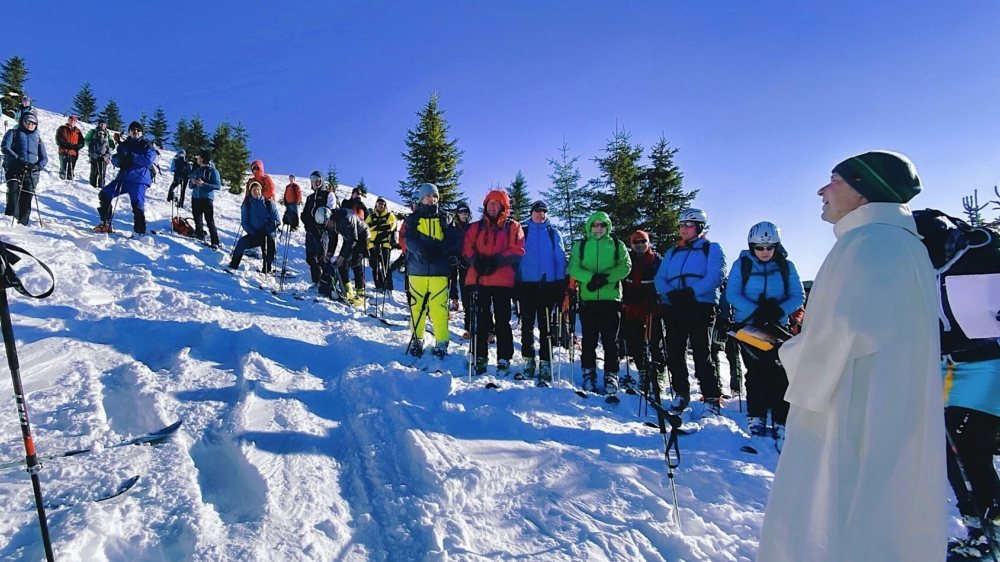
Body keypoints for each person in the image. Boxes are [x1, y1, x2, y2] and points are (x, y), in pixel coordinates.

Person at [757, 151, 946, 561]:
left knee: (837, 511)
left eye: (835, 181)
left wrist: (785, 349)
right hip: (887, 406)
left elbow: (840, 338)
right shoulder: (901, 243)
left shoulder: (868, 243)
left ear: (864, 191)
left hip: (851, 409)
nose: (823, 190)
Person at [913, 209, 1000, 559]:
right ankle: (977, 527)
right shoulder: (918, 265)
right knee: (947, 448)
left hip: (988, 363)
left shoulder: (982, 253)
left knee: (969, 444)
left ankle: (991, 534)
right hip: (944, 365)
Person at [725, 221, 804, 453]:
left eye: (770, 247)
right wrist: (756, 310)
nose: (765, 252)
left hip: (776, 328)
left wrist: (778, 310)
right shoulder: (742, 265)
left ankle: (781, 419)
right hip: (750, 327)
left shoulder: (786, 266)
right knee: (757, 372)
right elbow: (732, 293)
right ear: (752, 247)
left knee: (780, 374)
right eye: (760, 248)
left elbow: (797, 295)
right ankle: (757, 416)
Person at [654, 208, 726, 414]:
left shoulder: (711, 248)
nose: (684, 229)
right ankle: (681, 392)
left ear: (700, 227)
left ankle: (711, 396)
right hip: (675, 305)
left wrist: (691, 292)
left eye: (689, 224)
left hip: (700, 305)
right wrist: (671, 294)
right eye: (681, 225)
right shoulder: (673, 251)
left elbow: (716, 275)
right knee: (675, 352)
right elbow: (661, 277)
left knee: (702, 352)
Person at [567, 212, 632, 394]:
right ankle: (589, 372)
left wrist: (606, 278)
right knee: (589, 340)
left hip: (611, 299)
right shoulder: (580, 246)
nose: (598, 228)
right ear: (589, 226)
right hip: (588, 300)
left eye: (602, 225)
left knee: (611, 341)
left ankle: (611, 374)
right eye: (595, 225)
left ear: (607, 227)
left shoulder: (617, 245)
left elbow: (626, 266)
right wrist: (590, 278)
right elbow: (573, 267)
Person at [464, 190, 525, 375]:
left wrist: (497, 261)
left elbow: (518, 250)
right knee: (480, 320)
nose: (492, 206)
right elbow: (467, 247)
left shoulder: (513, 226)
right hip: (479, 279)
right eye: (490, 203)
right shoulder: (476, 227)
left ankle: (504, 357)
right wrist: (476, 262)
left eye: (496, 203)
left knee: (502, 321)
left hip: (502, 282)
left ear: (503, 206)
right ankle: (479, 355)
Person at [403, 183, 461, 357]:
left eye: (435, 196)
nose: (432, 199)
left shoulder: (446, 218)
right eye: (429, 196)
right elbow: (408, 239)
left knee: (439, 308)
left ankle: (442, 341)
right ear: (421, 198)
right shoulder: (412, 219)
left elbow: (452, 239)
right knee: (417, 307)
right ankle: (417, 339)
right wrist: (423, 250)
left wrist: (439, 250)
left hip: (439, 271)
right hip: (416, 270)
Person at [516, 200, 566, 385]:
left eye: (544, 211)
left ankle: (546, 362)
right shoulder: (523, 230)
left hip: (547, 286)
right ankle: (528, 360)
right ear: (531, 213)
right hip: (527, 286)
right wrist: (516, 282)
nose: (541, 214)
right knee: (527, 325)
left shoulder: (553, 233)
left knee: (546, 327)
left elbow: (560, 258)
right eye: (537, 210)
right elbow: (516, 257)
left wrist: (560, 282)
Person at [621, 230, 666, 395]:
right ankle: (642, 372)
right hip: (632, 307)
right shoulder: (627, 259)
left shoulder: (657, 259)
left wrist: (658, 301)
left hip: (652, 307)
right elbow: (622, 280)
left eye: (643, 241)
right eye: (636, 242)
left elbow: (663, 279)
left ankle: (658, 374)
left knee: (655, 342)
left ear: (648, 242)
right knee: (635, 343)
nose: (640, 245)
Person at [94, 121, 157, 236]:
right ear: (129, 132)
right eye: (133, 130)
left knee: (137, 204)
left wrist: (131, 157)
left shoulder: (146, 144)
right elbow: (115, 159)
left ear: (142, 133)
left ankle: (140, 231)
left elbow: (148, 160)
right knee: (104, 194)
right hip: (123, 178)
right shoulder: (124, 144)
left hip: (139, 179)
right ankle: (105, 222)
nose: (135, 132)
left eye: (138, 130)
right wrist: (120, 161)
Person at [1, 111, 47, 225]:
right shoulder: (13, 132)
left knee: (26, 198)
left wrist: (37, 167)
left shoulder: (38, 139)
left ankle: (23, 224)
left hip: (31, 172)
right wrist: (19, 160)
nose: (31, 124)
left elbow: (44, 158)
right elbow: (5, 147)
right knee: (13, 193)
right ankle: (10, 220)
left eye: (34, 122)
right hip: (14, 168)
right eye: (28, 121)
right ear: (23, 121)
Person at [229, 182, 280, 272]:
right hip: (255, 234)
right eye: (253, 190)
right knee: (241, 243)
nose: (256, 191)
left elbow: (276, 220)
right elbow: (245, 223)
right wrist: (254, 233)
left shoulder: (269, 203)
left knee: (269, 246)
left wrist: (268, 230)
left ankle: (267, 269)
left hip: (268, 234)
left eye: (258, 189)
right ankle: (233, 265)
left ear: (261, 191)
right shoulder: (247, 205)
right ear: (250, 192)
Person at [301, 171, 337, 285]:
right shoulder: (310, 198)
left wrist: (323, 225)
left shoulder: (328, 195)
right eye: (312, 180)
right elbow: (305, 213)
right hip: (310, 232)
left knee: (322, 258)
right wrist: (305, 222)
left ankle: (330, 282)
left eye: (317, 180)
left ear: (321, 181)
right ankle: (316, 282)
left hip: (322, 232)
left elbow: (330, 211)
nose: (315, 183)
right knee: (311, 258)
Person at [188, 149, 222, 249]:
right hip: (195, 198)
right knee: (197, 218)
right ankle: (199, 235)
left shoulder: (213, 171)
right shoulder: (197, 170)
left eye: (198, 157)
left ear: (203, 158)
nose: (197, 158)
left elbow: (217, 185)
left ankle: (215, 242)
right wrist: (193, 183)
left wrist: (204, 184)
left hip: (207, 199)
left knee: (209, 220)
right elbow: (190, 186)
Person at [449, 202, 473, 336]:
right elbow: (448, 244)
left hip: (467, 263)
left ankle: (468, 325)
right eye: (461, 212)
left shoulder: (472, 228)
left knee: (467, 293)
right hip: (454, 260)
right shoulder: (453, 228)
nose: (464, 214)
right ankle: (453, 301)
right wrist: (453, 256)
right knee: (451, 281)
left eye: (466, 212)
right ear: (457, 214)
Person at [366, 196, 397, 291]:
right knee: (374, 265)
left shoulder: (389, 215)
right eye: (379, 203)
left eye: (383, 204)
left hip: (385, 244)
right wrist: (379, 226)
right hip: (372, 244)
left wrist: (374, 227)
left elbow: (390, 226)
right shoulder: (371, 216)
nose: (381, 205)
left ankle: (388, 286)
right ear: (376, 204)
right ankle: (379, 285)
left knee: (385, 266)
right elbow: (366, 228)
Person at [84, 119, 115, 188]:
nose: (102, 125)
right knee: (94, 171)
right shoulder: (93, 131)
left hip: (104, 155)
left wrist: (107, 154)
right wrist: (91, 146)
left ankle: (101, 185)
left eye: (104, 124)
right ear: (99, 124)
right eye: (101, 124)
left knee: (102, 172)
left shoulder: (107, 134)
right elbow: (86, 139)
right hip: (95, 154)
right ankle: (93, 185)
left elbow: (111, 145)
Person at [55, 115, 85, 180]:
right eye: (71, 120)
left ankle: (70, 182)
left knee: (71, 169)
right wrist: (66, 145)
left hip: (73, 152)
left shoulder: (78, 131)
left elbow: (82, 142)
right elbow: (58, 139)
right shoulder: (62, 128)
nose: (72, 122)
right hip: (64, 151)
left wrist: (76, 147)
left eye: (74, 121)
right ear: (68, 120)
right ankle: (61, 181)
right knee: (63, 168)